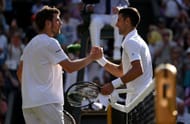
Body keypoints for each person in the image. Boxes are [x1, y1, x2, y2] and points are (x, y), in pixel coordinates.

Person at [16, 6, 102, 124]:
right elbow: (70, 67)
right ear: (48, 23)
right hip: (47, 103)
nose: (60, 23)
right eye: (57, 20)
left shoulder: (29, 46)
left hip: (29, 104)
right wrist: (91, 58)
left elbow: (19, 72)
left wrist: (30, 90)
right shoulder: (50, 42)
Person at [97, 7, 153, 105]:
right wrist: (100, 59)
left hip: (139, 100)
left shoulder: (131, 42)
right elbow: (121, 71)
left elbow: (137, 70)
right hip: (139, 99)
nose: (116, 24)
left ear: (127, 21)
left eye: (119, 20)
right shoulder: (133, 40)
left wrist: (113, 85)